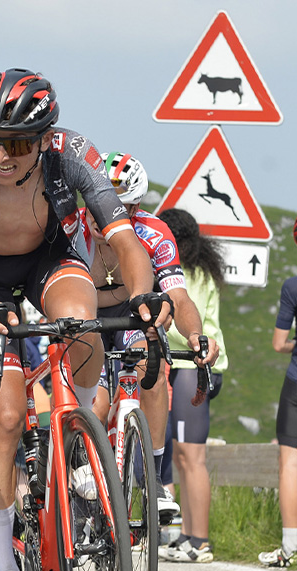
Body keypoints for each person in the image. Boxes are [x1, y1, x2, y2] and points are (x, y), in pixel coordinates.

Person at [0, 68, 171, 571]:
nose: (1, 155)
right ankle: (4, 569)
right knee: (5, 416)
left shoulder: (74, 153)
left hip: (49, 259)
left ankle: (83, 436)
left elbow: (123, 239)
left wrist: (141, 294)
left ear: (43, 139)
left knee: (82, 322)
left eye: (16, 145)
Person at [82, 152, 220, 525]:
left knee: (153, 369)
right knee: (96, 404)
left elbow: (179, 298)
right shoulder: (71, 228)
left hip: (132, 314)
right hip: (87, 314)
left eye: (116, 208)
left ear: (135, 207)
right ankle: (80, 482)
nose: (101, 217)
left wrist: (195, 335)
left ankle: (153, 482)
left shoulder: (154, 233)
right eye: (95, 205)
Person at [157, 208, 228, 564]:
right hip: (185, 366)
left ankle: (200, 541)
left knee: (191, 456)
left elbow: (186, 322)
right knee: (182, 456)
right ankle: (187, 536)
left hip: (192, 365)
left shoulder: (188, 275)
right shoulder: (198, 269)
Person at [258, 228, 297, 567]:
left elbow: (278, 344)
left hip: (295, 383)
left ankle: (289, 547)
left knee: (290, 464)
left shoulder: (292, 286)